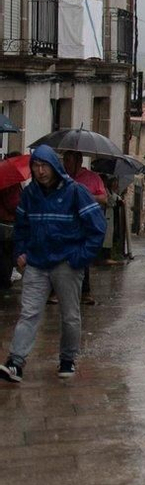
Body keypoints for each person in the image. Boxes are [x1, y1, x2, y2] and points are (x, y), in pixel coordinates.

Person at [0, 146, 106, 383]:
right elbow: (21, 227)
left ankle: (68, 358)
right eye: (36, 166)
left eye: (44, 166)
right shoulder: (30, 195)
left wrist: (78, 257)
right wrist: (21, 252)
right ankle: (16, 362)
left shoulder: (76, 192)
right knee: (29, 313)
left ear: (54, 166)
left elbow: (97, 229)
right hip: (37, 263)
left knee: (69, 315)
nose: (40, 171)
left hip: (66, 263)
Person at [59, 151, 108, 306]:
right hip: (64, 223)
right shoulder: (61, 177)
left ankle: (85, 292)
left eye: (68, 160)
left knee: (82, 258)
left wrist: (85, 197)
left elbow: (104, 198)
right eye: (64, 160)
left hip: (83, 225)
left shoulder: (92, 178)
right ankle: (57, 291)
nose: (65, 163)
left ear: (79, 161)